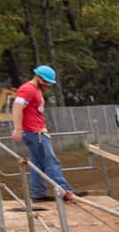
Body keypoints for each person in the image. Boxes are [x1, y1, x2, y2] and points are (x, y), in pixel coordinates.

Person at [11, 65, 75, 203]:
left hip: (36, 132)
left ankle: (38, 193)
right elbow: (17, 107)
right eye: (46, 82)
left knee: (37, 164)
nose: (48, 85)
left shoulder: (35, 89)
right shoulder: (27, 89)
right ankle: (64, 191)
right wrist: (17, 128)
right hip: (35, 133)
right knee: (51, 162)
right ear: (38, 77)